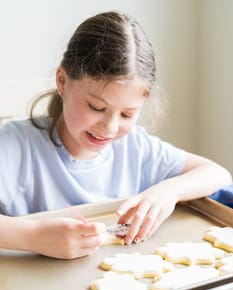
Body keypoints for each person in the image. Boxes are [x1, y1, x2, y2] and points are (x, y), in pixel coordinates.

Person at [0, 11, 231, 259]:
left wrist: (168, 191)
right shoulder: (15, 146)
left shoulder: (136, 148)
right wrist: (34, 237)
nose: (110, 127)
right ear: (62, 81)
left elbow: (217, 174)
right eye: (96, 108)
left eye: (127, 115)